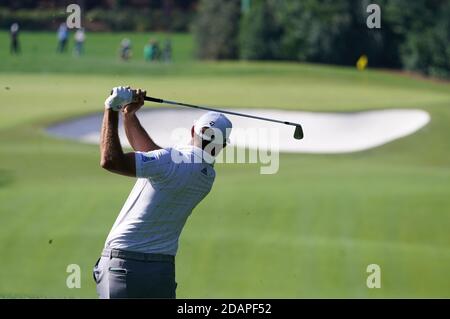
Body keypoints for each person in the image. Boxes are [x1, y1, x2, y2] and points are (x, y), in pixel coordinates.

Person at [94, 86, 232, 298]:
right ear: (222, 145)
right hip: (162, 270)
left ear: (194, 130)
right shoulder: (206, 177)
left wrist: (111, 108)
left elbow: (110, 161)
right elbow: (152, 156)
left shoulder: (169, 162)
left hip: (124, 263)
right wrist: (129, 115)